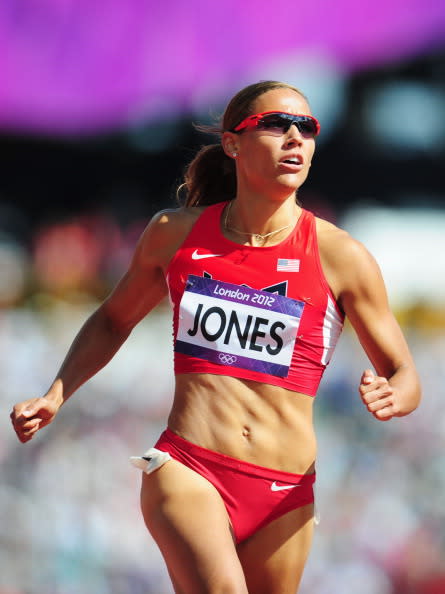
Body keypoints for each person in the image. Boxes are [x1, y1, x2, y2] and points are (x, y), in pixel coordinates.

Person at [10, 80, 421, 594]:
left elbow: (404, 375)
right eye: (276, 124)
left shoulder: (343, 256)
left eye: (307, 128)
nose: (296, 138)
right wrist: (57, 392)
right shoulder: (173, 233)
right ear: (233, 143)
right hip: (188, 465)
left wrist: (393, 395)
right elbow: (115, 319)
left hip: (285, 492)